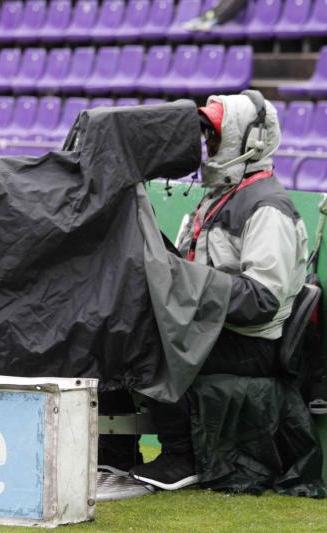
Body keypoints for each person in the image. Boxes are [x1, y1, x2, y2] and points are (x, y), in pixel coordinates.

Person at [130, 91, 309, 491]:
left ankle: (184, 458)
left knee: (151, 344)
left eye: (214, 136)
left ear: (250, 142)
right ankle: (113, 454)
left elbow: (262, 301)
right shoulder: (218, 197)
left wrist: (189, 285)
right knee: (118, 326)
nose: (207, 146)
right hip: (218, 327)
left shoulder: (268, 208)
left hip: (253, 343)